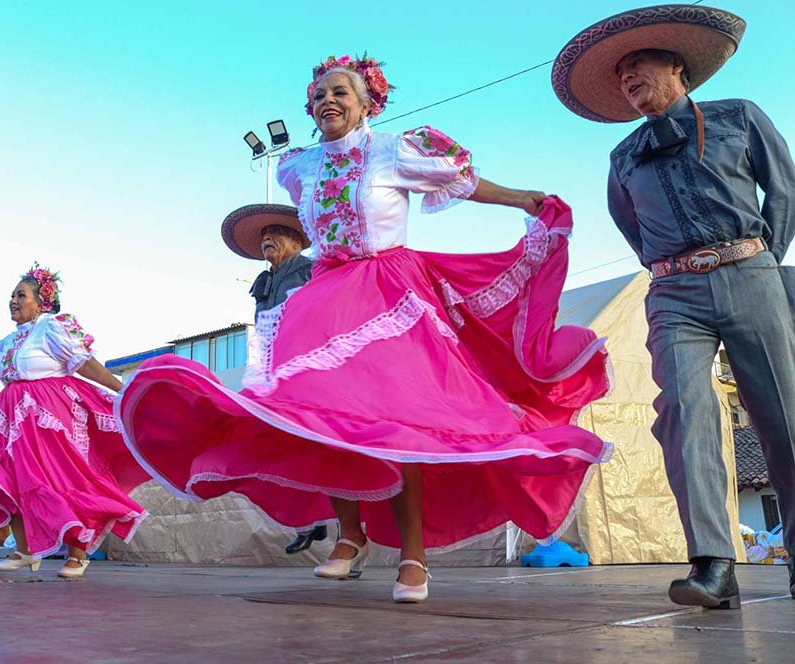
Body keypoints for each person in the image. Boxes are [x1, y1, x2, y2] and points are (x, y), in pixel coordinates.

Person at [118, 54, 612, 603]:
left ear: (366, 102)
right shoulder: (298, 166)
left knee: (399, 420)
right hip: (324, 297)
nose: (326, 101)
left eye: (339, 93)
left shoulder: (395, 149)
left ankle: (413, 555)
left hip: (389, 290)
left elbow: (464, 181)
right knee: (318, 418)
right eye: (318, 96)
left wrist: (520, 197)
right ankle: (349, 538)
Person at [553, 3, 795, 608]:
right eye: (621, 76)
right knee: (683, 411)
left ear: (678, 67)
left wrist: (761, 259)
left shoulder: (739, 116)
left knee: (782, 418)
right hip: (673, 292)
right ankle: (714, 565)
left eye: (639, 66)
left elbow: (785, 189)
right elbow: (632, 229)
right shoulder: (623, 157)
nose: (628, 80)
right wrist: (674, 269)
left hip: (751, 272)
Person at [0, 264, 150, 578]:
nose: (13, 300)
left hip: (49, 412)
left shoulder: (53, 326)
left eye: (21, 294)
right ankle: (26, 549)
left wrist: (121, 390)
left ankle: (77, 551)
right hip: (11, 415)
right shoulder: (4, 343)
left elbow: (84, 364)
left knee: (61, 476)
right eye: (11, 295)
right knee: (9, 478)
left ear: (41, 300)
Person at [222, 204, 327, 554]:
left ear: (297, 240)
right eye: (264, 235)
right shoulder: (265, 282)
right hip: (273, 372)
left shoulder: (312, 270)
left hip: (309, 370)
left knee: (319, 444)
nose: (267, 238)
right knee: (278, 445)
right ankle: (309, 519)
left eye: (276, 232)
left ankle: (338, 530)